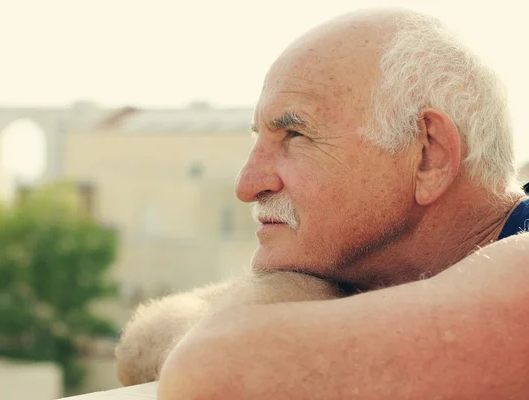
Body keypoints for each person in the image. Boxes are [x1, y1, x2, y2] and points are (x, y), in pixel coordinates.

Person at [156, 8, 529, 400]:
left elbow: (211, 371)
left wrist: (281, 310)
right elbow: (146, 339)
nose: (248, 185)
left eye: (295, 134)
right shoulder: (376, 269)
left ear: (427, 156)